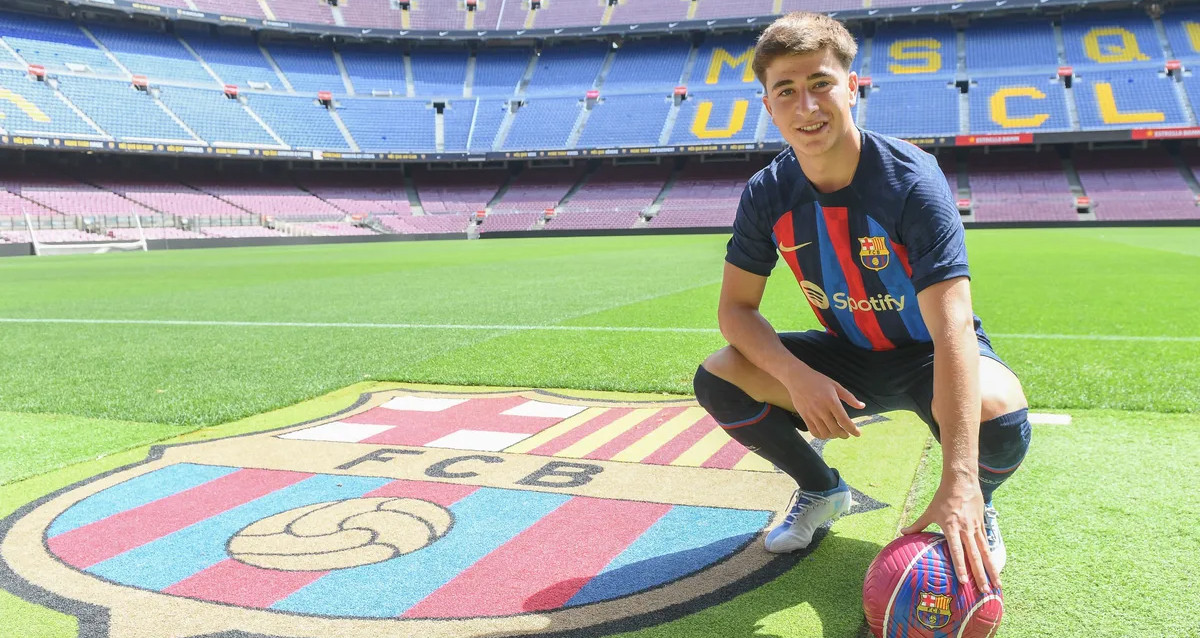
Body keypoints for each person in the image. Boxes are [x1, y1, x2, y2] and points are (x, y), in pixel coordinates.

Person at [691, 11, 1031, 594]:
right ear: (768, 106)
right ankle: (823, 490)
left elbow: (952, 329)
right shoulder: (768, 192)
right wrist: (797, 377)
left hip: (929, 353)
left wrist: (960, 479)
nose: (807, 106)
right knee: (720, 376)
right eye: (787, 91)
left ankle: (979, 503)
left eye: (821, 83)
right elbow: (735, 311)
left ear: (852, 86)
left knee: (999, 409)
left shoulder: (912, 181)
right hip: (849, 355)